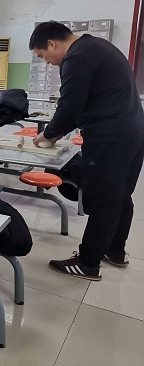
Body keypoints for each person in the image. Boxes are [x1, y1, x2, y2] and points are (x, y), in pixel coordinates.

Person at [29, 21, 144, 281]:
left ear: (51, 44)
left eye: (43, 56)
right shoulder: (97, 46)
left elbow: (70, 105)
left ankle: (88, 263)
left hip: (110, 138)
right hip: (133, 132)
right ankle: (115, 251)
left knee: (103, 199)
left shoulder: (76, 57)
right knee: (120, 196)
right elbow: (83, 102)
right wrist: (59, 131)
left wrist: (48, 134)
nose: (47, 63)